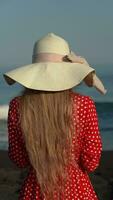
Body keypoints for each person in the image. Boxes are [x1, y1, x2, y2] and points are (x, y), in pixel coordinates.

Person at [4, 33, 106, 200]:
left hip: (36, 190)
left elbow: (19, 160)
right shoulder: (84, 104)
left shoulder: (18, 105)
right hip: (77, 190)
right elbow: (91, 162)